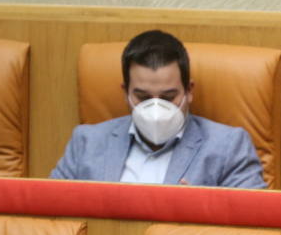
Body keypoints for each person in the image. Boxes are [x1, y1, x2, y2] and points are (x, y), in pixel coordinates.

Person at [50, 29, 265, 188]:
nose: (155, 107)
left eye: (168, 97)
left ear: (188, 91)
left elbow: (252, 224)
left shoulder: (228, 146)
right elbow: (51, 213)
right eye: (143, 97)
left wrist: (199, 211)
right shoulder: (86, 142)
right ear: (126, 93)